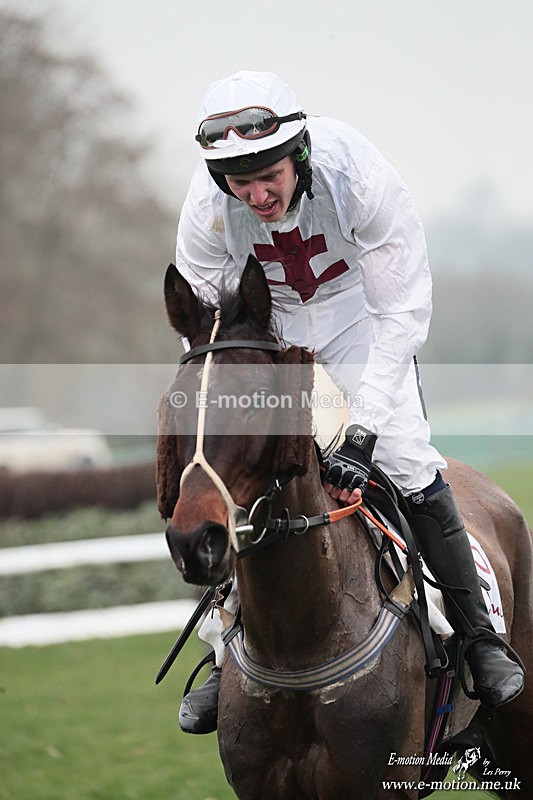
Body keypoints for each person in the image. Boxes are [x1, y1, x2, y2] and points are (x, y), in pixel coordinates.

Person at [174, 71, 524, 733]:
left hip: (362, 317)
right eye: (240, 183)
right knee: (245, 473)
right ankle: (224, 652)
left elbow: (401, 312)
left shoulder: (357, 175)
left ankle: (479, 637)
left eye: (268, 175)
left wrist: (360, 432)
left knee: (404, 458)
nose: (257, 195)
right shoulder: (206, 208)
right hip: (272, 327)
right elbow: (207, 322)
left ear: (299, 154)